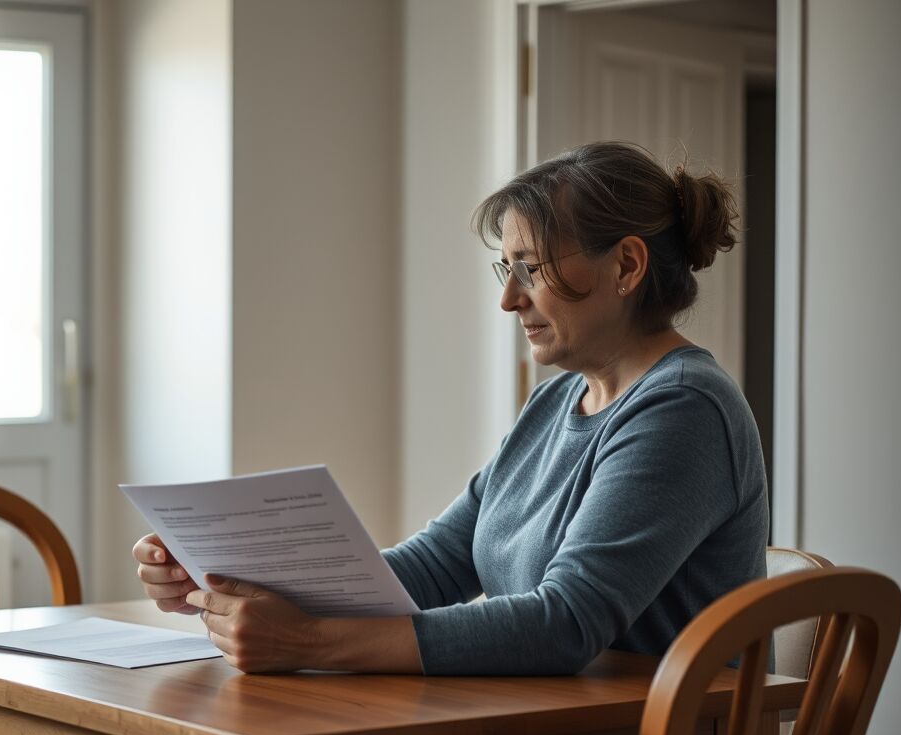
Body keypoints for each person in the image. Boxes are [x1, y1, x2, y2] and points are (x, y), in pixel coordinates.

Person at [132, 141, 768, 675]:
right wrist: (232, 577)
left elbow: (567, 623)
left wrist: (308, 641)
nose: (510, 300)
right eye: (506, 270)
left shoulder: (683, 409)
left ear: (627, 265)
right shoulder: (555, 403)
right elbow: (437, 566)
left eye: (532, 267)